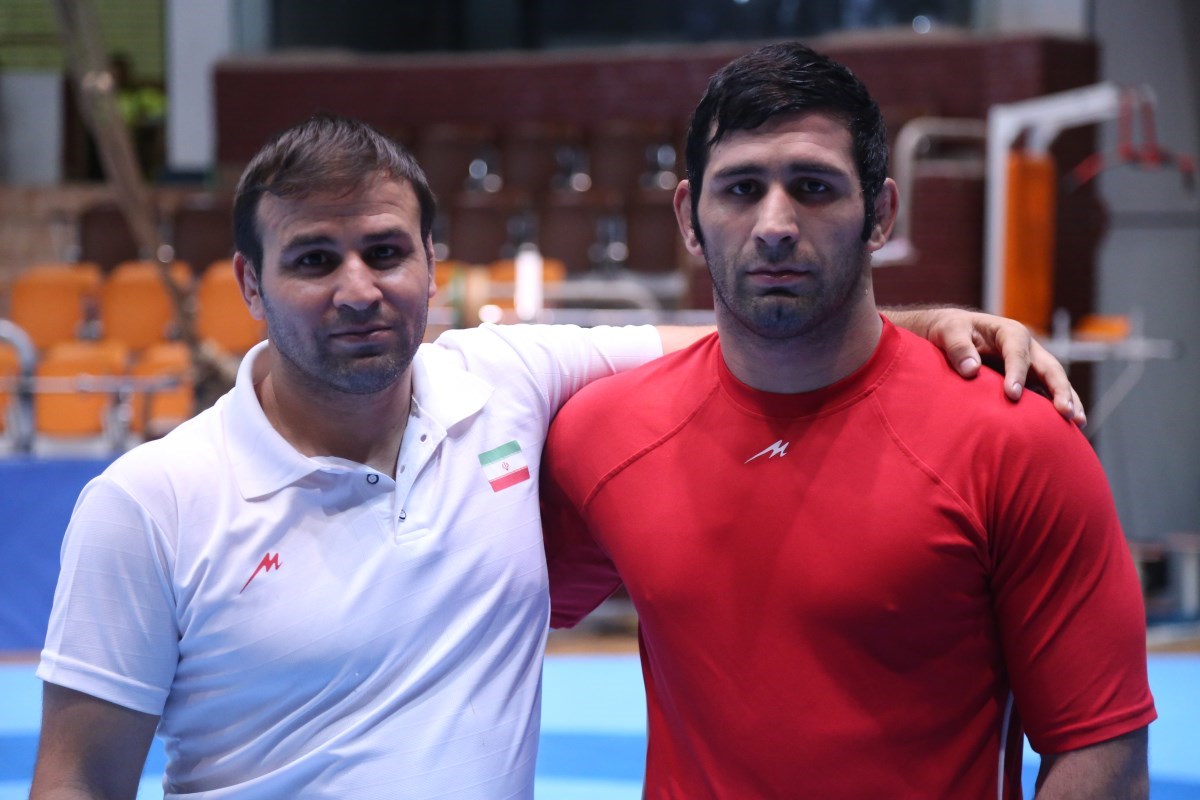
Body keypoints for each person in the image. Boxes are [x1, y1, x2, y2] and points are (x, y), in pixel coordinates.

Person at [32, 113, 1082, 800]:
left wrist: (931, 323)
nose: (358, 289)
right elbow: (77, 780)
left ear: (433, 263)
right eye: (313, 259)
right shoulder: (150, 502)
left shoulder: (506, 378)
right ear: (249, 285)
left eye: (386, 252)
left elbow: (758, 338)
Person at [542, 42, 1155, 799]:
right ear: (689, 218)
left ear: (881, 214)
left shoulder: (1014, 442)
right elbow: (467, 622)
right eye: (741, 188)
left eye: (814, 187)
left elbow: (1104, 753)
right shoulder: (599, 437)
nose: (775, 223)